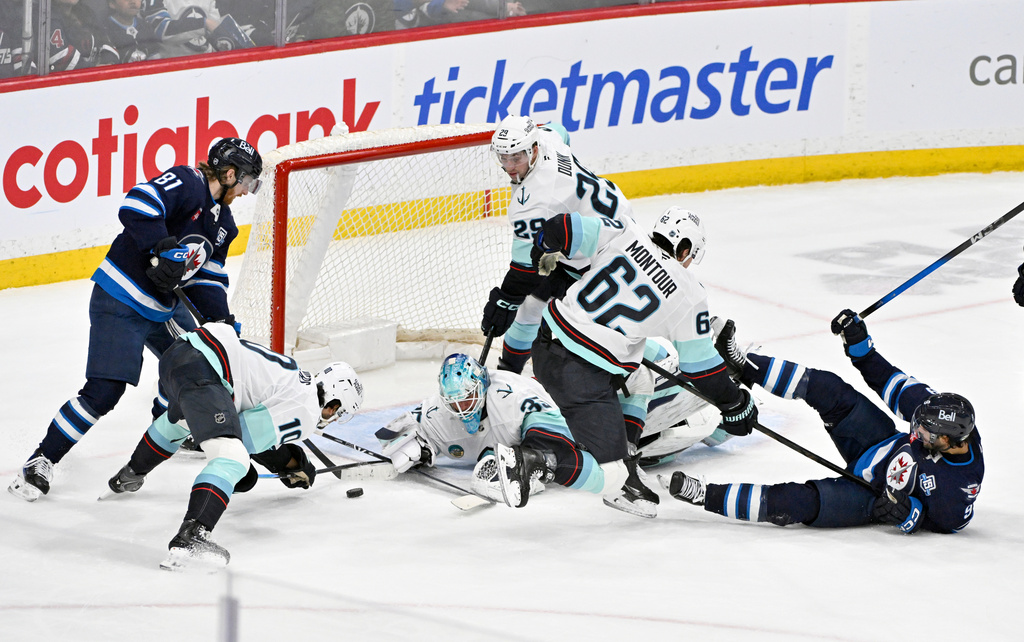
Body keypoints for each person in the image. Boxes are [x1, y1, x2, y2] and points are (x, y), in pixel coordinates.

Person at [8, 137, 262, 502]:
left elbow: (207, 278)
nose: (247, 191)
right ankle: (42, 459)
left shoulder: (224, 224)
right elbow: (137, 203)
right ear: (230, 173)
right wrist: (162, 246)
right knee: (104, 392)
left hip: (164, 307)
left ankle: (168, 424)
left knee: (197, 361)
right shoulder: (187, 182)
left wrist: (221, 320)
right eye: (247, 181)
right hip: (121, 298)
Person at [523, 207, 758, 517]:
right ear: (684, 248)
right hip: (582, 378)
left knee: (641, 377)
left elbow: (560, 227)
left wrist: (542, 247)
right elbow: (702, 371)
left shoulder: (624, 230)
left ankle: (627, 450)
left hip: (544, 346)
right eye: (690, 256)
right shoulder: (688, 295)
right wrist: (735, 402)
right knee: (614, 477)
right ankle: (533, 463)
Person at [661, 312, 984, 534]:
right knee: (828, 388)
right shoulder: (934, 411)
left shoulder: (960, 484)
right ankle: (742, 365)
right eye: (917, 427)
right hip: (876, 442)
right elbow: (891, 380)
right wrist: (861, 347)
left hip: (870, 495)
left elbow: (949, 524)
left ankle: (704, 495)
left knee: (798, 503)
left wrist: (911, 512)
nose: (915, 435)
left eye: (924, 434)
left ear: (949, 441)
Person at [103, 321, 363, 570]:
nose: (332, 417)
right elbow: (246, 435)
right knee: (233, 458)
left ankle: (129, 475)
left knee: (179, 423)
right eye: (337, 412)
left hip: (179, 355)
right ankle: (193, 534)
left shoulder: (295, 375)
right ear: (333, 404)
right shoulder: (307, 409)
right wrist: (291, 463)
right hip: (206, 371)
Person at [481, 114, 634, 375]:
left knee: (595, 325)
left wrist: (505, 300)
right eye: (503, 158)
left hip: (603, 250)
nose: (509, 166)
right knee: (533, 304)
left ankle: (655, 366)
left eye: (516, 157)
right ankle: (508, 372)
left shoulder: (534, 202)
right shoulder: (547, 138)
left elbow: (524, 270)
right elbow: (561, 130)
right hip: (616, 218)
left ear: (533, 149)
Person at [375, 353, 629, 509]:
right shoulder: (439, 410)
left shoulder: (512, 395)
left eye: (467, 398)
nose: (462, 408)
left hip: (570, 408)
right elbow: (398, 429)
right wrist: (421, 445)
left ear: (481, 385)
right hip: (509, 436)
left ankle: (621, 472)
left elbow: (557, 432)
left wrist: (536, 460)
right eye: (454, 402)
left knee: (557, 454)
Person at [48, 0, 117, 71]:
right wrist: (93, 68)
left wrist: (107, 64)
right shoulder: (46, 17)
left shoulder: (86, 12)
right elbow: (59, 59)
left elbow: (106, 42)